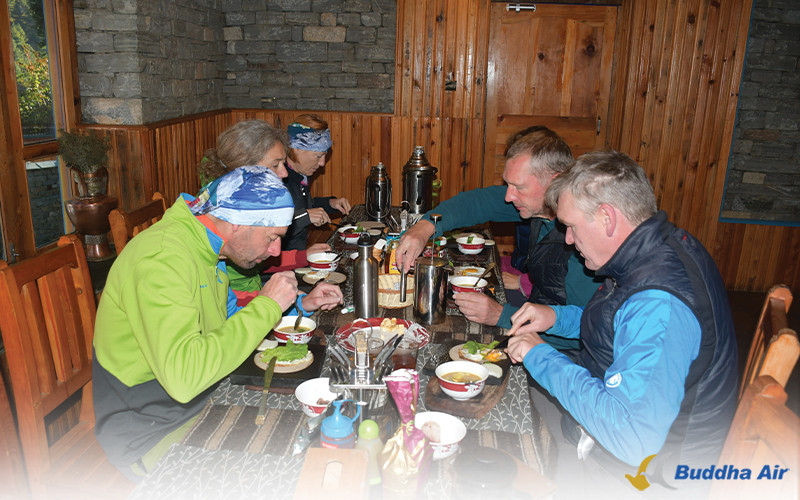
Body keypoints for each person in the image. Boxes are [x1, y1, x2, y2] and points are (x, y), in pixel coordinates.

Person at [506, 151, 738, 494]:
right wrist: (554, 317)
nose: (568, 240)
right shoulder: (657, 248)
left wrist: (540, 355)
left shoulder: (659, 303)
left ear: (607, 218)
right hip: (619, 432)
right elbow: (621, 325)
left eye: (571, 226)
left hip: (643, 475)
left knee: (498, 449)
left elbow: (632, 439)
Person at [92, 166, 344, 481]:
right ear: (237, 223)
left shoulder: (208, 249)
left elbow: (222, 335)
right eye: (272, 237)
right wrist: (266, 306)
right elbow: (185, 378)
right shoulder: (161, 260)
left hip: (202, 398)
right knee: (281, 473)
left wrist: (299, 306)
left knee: (315, 435)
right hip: (150, 430)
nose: (275, 252)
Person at [394, 127, 599, 351]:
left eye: (519, 187)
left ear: (554, 182)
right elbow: (476, 202)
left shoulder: (584, 242)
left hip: (561, 352)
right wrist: (425, 227)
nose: (509, 196)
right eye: (507, 185)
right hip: (532, 315)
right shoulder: (540, 206)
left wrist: (502, 315)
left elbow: (589, 328)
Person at [196, 119, 331, 299]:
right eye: (275, 165)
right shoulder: (225, 220)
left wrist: (303, 256)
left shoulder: (230, 208)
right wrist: (273, 304)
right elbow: (229, 305)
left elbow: (261, 259)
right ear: (243, 169)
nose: (284, 173)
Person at [283, 114, 352, 250]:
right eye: (318, 156)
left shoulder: (300, 174)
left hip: (299, 257)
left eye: (325, 156)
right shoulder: (279, 178)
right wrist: (306, 217)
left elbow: (303, 207)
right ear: (296, 149)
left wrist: (330, 204)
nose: (322, 163)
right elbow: (271, 229)